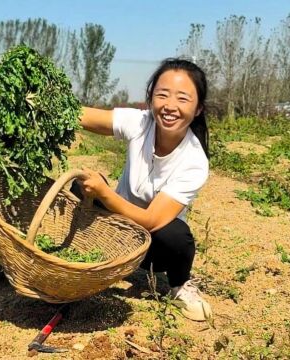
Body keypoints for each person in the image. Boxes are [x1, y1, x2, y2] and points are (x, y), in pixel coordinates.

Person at [75, 58, 212, 321]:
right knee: (78, 187)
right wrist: (41, 103)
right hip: (112, 230)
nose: (170, 106)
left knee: (177, 235)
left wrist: (104, 193)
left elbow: (151, 220)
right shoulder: (141, 122)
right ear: (151, 98)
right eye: (162, 95)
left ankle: (180, 285)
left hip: (153, 249)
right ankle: (89, 255)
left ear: (197, 109)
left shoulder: (194, 161)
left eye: (183, 99)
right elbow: (86, 117)